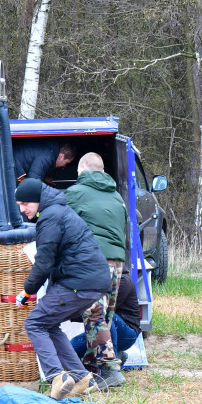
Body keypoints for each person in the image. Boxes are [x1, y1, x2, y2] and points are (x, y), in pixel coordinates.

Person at [11, 178, 112, 399]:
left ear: (38, 200)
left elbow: (44, 261)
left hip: (79, 283)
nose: (22, 209)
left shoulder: (50, 217)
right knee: (50, 324)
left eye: (25, 204)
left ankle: (57, 377)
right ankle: (82, 378)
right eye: (19, 204)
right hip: (91, 281)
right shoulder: (58, 212)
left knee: (35, 322)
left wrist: (27, 291)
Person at [63, 152, 128, 375]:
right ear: (102, 171)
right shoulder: (117, 197)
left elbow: (60, 227)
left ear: (81, 170)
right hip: (117, 262)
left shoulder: (74, 193)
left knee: (93, 315)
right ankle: (93, 365)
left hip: (92, 262)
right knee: (104, 317)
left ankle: (110, 369)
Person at [71, 270, 141, 388]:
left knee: (104, 313)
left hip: (127, 334)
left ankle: (111, 370)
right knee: (72, 347)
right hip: (110, 330)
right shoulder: (102, 280)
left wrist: (67, 312)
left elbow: (98, 313)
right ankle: (117, 355)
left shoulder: (123, 281)